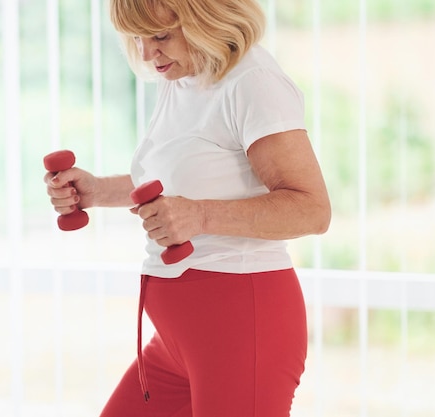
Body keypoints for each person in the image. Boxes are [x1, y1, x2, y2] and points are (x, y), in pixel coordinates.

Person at [44, 0, 331, 415]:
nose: (146, 54)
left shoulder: (254, 82)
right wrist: (95, 191)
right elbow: (178, 187)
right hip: (176, 343)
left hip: (240, 328)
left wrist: (199, 216)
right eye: (138, 37)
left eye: (160, 35)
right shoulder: (183, 77)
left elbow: (312, 209)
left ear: (206, 17)